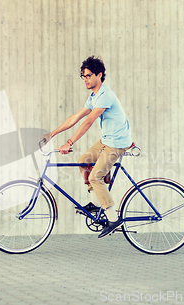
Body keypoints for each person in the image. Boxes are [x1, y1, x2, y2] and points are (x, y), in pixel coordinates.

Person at [42, 56, 132, 238]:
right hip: (107, 139)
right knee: (83, 162)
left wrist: (69, 142)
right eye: (83, 76)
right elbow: (76, 117)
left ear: (99, 75)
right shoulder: (94, 96)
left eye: (89, 75)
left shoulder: (105, 95)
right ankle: (96, 203)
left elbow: (89, 121)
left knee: (96, 177)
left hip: (117, 143)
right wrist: (52, 134)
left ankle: (113, 219)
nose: (86, 79)